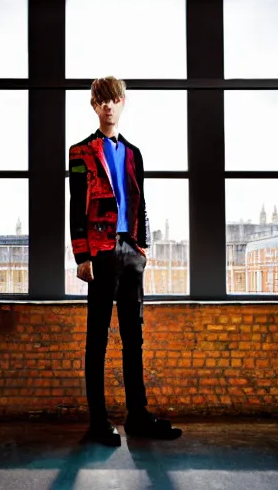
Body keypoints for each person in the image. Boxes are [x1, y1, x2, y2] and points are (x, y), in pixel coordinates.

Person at [68, 76, 182, 447]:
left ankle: (137, 415)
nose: (108, 106)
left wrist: (143, 249)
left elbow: (140, 202)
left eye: (114, 99)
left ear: (122, 103)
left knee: (134, 338)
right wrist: (82, 255)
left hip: (131, 252)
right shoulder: (80, 153)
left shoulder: (134, 153)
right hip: (99, 255)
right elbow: (75, 207)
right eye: (102, 100)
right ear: (94, 105)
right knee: (97, 339)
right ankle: (99, 421)